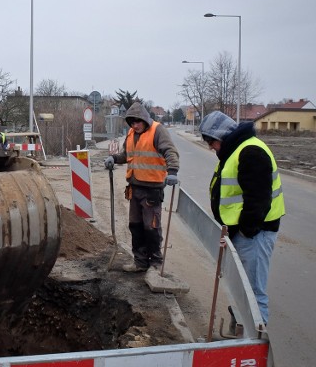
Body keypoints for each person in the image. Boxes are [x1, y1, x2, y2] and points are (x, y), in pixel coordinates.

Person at [199, 111, 284, 324]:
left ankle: (252, 345)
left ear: (222, 136)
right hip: (243, 233)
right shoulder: (235, 149)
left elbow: (258, 200)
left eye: (212, 141)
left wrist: (244, 231)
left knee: (253, 293)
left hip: (255, 234)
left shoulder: (251, 152)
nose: (211, 147)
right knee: (241, 289)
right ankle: (240, 334)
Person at [104, 102, 180, 272]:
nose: (135, 125)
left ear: (145, 119)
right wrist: (114, 159)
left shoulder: (158, 130)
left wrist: (173, 171)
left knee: (151, 227)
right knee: (136, 226)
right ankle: (140, 262)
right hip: (135, 187)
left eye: (137, 122)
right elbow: (127, 155)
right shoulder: (131, 133)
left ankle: (155, 264)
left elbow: (170, 151)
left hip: (152, 189)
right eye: (132, 122)